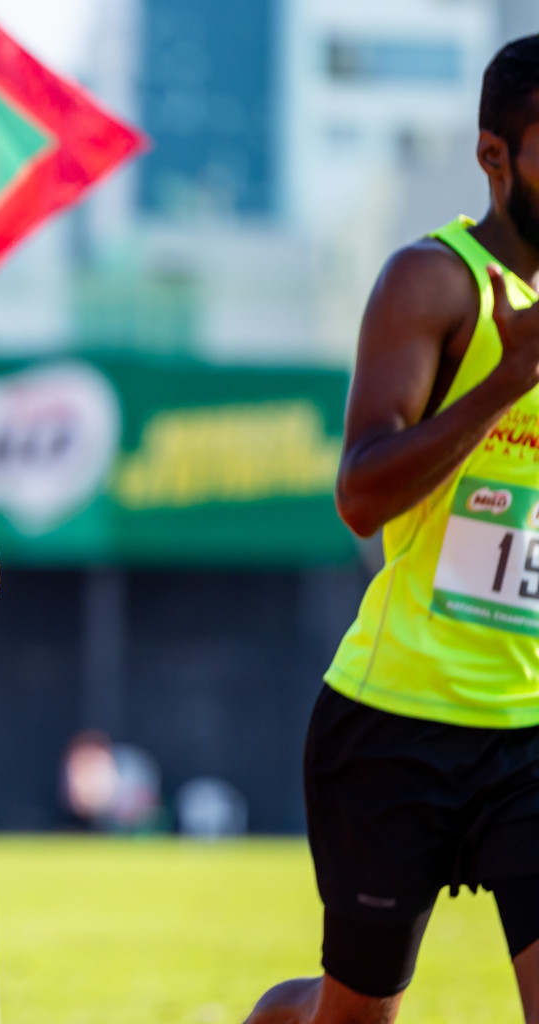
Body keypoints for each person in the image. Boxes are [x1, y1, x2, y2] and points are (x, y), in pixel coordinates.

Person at [244, 36, 539, 1024]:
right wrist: (504, 384)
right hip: (398, 722)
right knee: (355, 1014)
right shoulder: (435, 282)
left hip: (530, 728)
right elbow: (362, 494)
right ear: (495, 157)